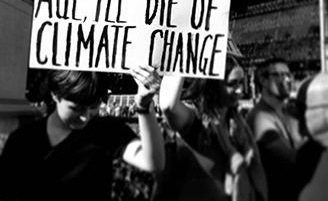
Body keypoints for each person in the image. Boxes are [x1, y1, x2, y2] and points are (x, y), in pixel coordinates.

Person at [0, 65, 165, 201]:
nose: (85, 117)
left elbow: (153, 163)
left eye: (93, 107)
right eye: (76, 108)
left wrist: (144, 107)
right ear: (55, 95)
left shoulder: (106, 131)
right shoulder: (22, 141)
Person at [156, 54, 268, 201]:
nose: (240, 90)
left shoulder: (238, 124)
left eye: (241, 82)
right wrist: (182, 51)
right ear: (213, 85)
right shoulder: (194, 120)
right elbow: (168, 106)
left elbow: (257, 174)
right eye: (232, 84)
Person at [246, 58, 324, 201]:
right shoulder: (259, 117)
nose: (288, 80)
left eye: (289, 74)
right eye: (280, 75)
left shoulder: (287, 112)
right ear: (263, 81)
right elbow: (292, 161)